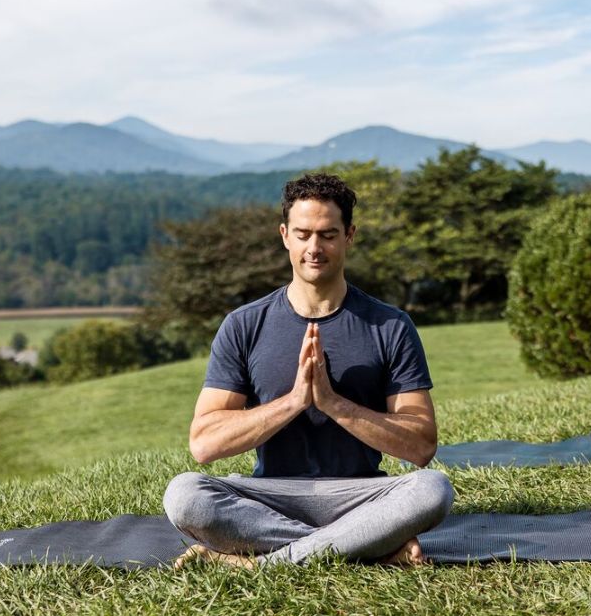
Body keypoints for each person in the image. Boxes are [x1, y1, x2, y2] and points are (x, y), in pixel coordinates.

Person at [163, 173, 454, 568]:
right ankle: (366, 548)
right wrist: (295, 401)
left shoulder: (389, 325)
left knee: (432, 488)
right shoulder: (244, 325)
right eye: (303, 234)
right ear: (285, 235)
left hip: (361, 496)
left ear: (349, 235)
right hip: (269, 498)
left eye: (328, 235)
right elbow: (204, 444)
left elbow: (421, 446)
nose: (314, 248)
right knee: (185, 495)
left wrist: (334, 403)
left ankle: (257, 563)